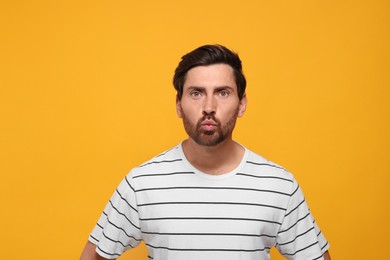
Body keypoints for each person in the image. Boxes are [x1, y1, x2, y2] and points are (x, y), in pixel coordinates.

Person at [80, 44, 331, 260]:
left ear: (241, 104)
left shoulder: (279, 185)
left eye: (223, 93)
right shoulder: (141, 184)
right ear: (179, 105)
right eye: (196, 93)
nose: (209, 107)